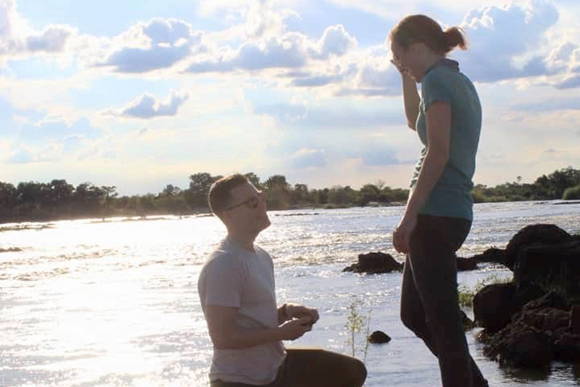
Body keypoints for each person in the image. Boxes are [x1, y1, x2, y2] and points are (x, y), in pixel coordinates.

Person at [389, 15, 488, 387]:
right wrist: (403, 76)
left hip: (434, 212)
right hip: (450, 212)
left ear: (417, 48)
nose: (403, 65)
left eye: (401, 58)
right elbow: (416, 123)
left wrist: (408, 217)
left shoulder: (436, 80)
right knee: (414, 314)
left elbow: (438, 152)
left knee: (445, 327)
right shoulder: (454, 79)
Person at [198, 174, 367, 387]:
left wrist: (285, 312)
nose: (262, 205)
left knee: (350, 371)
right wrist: (281, 333)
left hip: (275, 368)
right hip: (239, 380)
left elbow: (252, 320)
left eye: (260, 197)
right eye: (252, 203)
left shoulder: (260, 255)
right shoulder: (223, 264)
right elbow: (223, 338)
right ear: (228, 215)